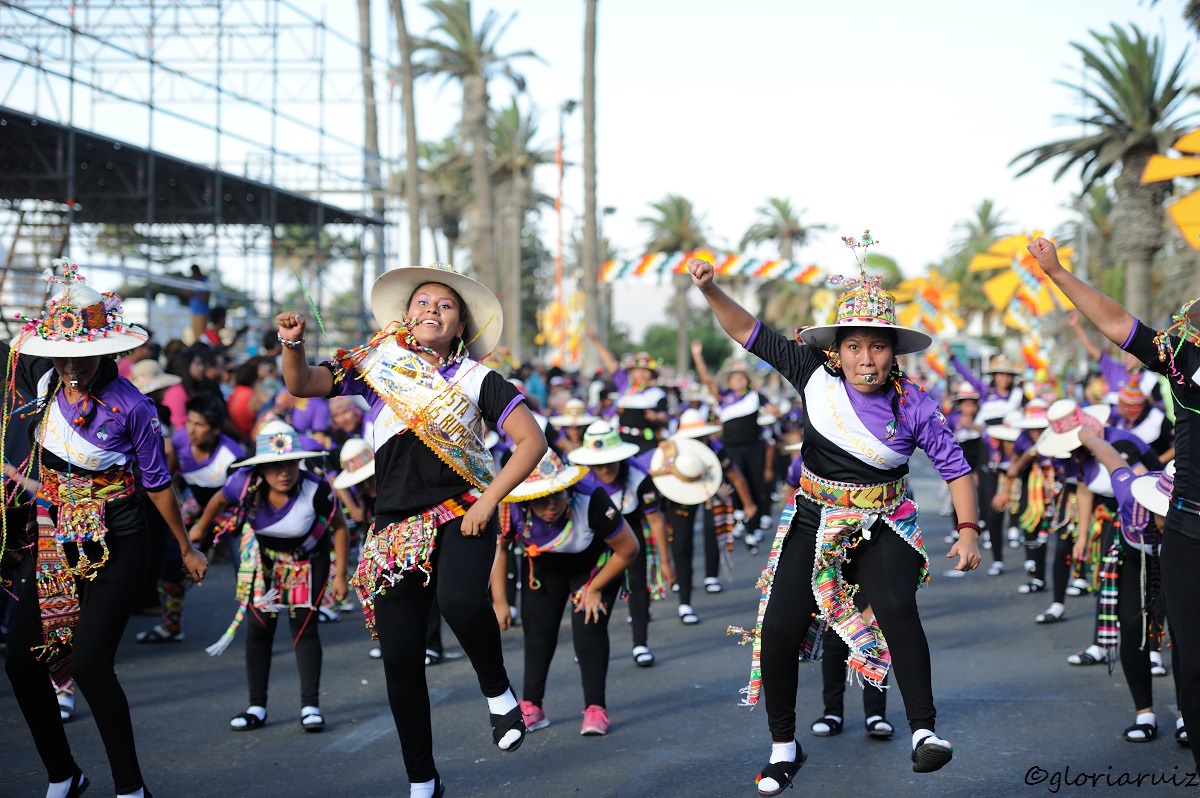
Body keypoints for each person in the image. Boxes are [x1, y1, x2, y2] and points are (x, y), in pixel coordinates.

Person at [688, 241, 980, 791]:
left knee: (896, 610)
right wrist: (709, 289)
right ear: (836, 351)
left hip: (883, 524)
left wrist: (968, 530)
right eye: (854, 347)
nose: (866, 359)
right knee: (776, 630)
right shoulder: (812, 375)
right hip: (814, 519)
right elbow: (749, 331)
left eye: (877, 348)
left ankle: (924, 733)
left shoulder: (914, 405)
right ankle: (783, 746)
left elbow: (957, 469)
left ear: (895, 353)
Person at [275, 261, 546, 798]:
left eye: (445, 306)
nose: (431, 310)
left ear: (460, 326)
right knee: (400, 660)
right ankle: (422, 778)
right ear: (406, 315)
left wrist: (490, 501)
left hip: (461, 509)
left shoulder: (479, 380)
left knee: (461, 602)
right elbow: (302, 384)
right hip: (395, 527)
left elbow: (531, 443)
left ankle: (499, 695)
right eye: (422, 302)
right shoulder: (379, 366)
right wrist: (292, 345)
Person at [2, 259, 207, 798]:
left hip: (119, 536)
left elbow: (158, 483)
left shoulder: (134, 406)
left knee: (92, 665)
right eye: (64, 357)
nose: (73, 367)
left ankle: (130, 787)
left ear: (107, 352)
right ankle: (63, 774)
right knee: (22, 664)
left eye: (84, 357)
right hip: (54, 539)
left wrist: (186, 547)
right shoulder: (43, 388)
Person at [1028, 236, 1200, 770]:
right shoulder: (1184, 359)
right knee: (1193, 663)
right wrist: (1056, 272)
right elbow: (1118, 322)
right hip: (1190, 532)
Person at [188, 420, 347, 732]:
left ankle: (310, 706)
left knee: (304, 628)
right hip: (265, 563)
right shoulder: (244, 483)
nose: (283, 473)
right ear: (261, 467)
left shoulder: (316, 488)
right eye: (274, 466)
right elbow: (219, 500)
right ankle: (256, 706)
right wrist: (200, 528)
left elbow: (339, 526)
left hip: (308, 559)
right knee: (260, 629)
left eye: (289, 464)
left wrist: (340, 574)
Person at [491, 449, 638, 736]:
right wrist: (500, 601)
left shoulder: (592, 500)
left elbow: (628, 549)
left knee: (588, 626)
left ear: (567, 488)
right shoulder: (512, 506)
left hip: (594, 567)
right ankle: (532, 705)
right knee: (538, 631)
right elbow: (501, 549)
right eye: (541, 499)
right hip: (543, 567)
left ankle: (596, 708)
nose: (550, 506)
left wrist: (594, 588)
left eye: (556, 496)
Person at [1075, 425, 1183, 742]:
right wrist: (1089, 437)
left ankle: (1185, 716)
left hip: (1179, 562)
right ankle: (1144, 713)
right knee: (1132, 627)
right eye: (1163, 515)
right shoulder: (1129, 493)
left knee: (1183, 634)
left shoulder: (1190, 516)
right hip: (1134, 561)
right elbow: (1111, 458)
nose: (1167, 521)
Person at [566, 421, 675, 666]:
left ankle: (640, 644)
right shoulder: (579, 477)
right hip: (592, 531)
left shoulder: (638, 476)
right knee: (585, 589)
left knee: (638, 583)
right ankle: (584, 646)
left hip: (629, 530)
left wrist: (665, 562)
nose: (604, 469)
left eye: (610, 462)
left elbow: (656, 521)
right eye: (599, 464)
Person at [188, 264, 211, 345]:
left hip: (202, 312)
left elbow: (207, 297)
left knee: (201, 336)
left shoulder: (205, 280)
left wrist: (194, 294)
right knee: (196, 335)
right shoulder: (194, 281)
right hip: (194, 311)